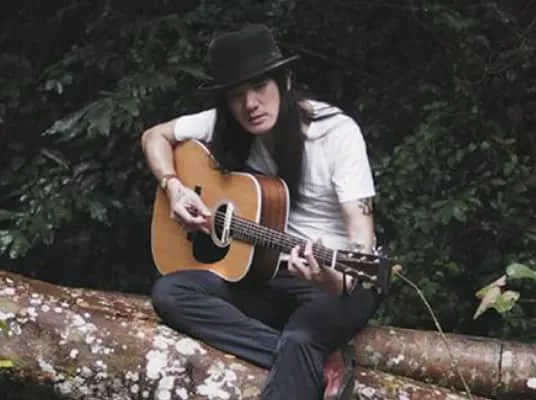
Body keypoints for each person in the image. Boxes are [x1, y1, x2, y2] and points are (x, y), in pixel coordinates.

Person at [141, 24, 382, 400]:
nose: (250, 104)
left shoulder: (336, 133)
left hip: (339, 277)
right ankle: (315, 363)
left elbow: (362, 245)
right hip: (266, 274)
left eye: (259, 87)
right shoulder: (226, 125)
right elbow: (154, 136)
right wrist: (174, 186)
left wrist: (331, 279)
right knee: (172, 292)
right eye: (236, 95)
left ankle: (300, 355)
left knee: (300, 338)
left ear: (285, 81)